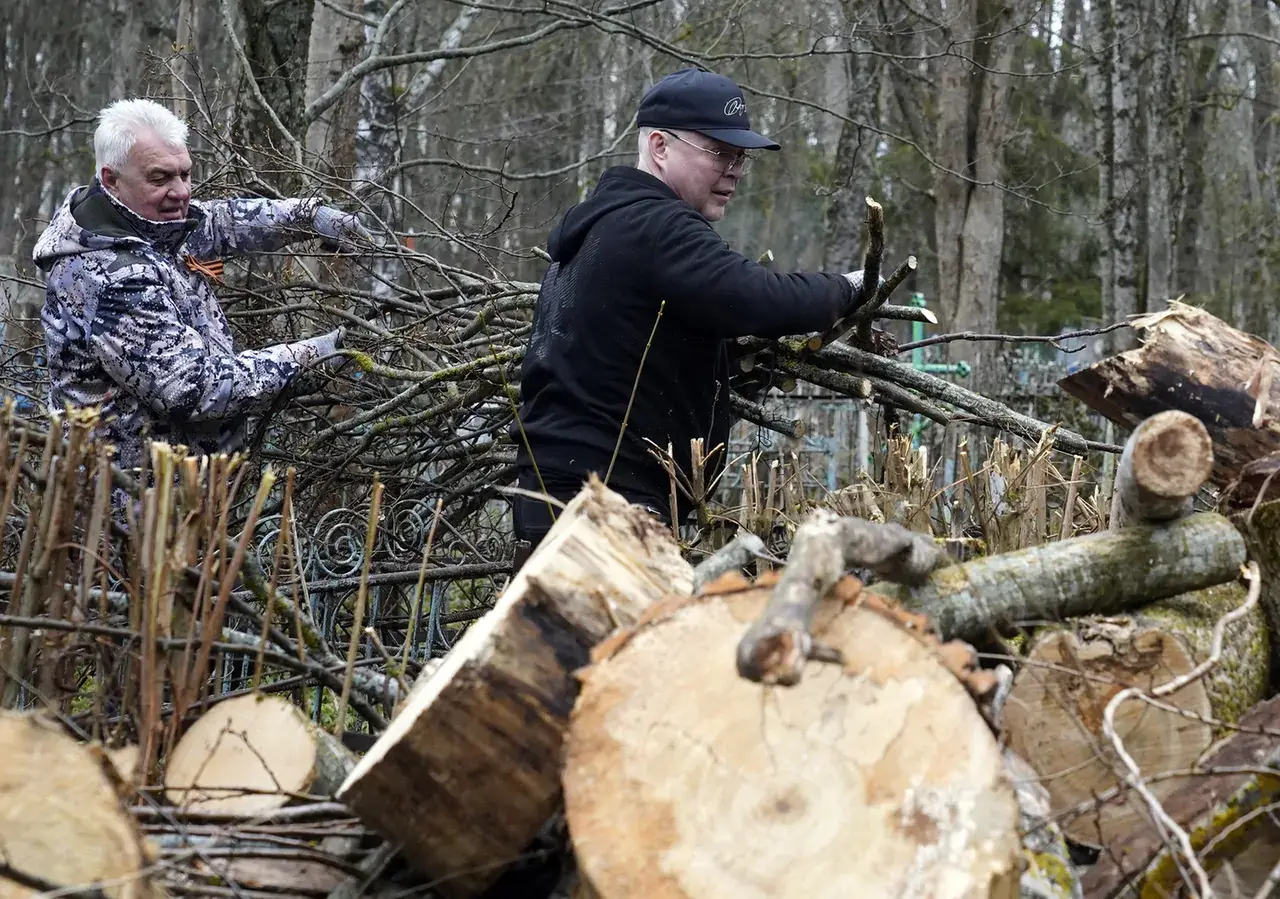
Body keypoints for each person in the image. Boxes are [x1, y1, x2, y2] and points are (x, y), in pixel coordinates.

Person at [510, 67, 878, 552]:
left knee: (548, 631)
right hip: (604, 501)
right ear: (659, 147)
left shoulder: (604, 227)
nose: (735, 170)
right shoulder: (656, 225)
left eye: (741, 156)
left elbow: (634, 351)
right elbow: (758, 298)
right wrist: (853, 287)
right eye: (719, 152)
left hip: (558, 491)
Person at [32, 97, 366, 475]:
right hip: (129, 508)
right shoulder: (107, 276)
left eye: (185, 174)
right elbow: (193, 388)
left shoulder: (150, 223)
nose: (181, 192)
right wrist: (316, 356)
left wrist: (310, 217)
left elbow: (222, 222)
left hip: (184, 496)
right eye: (160, 178)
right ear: (111, 179)